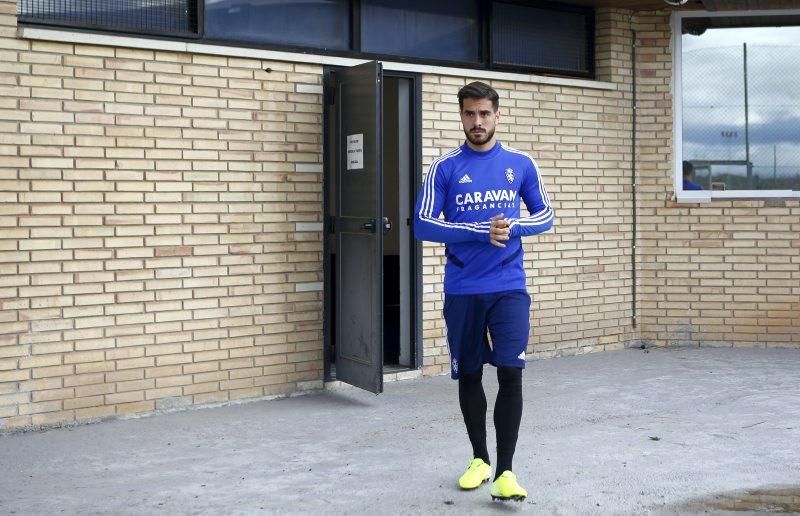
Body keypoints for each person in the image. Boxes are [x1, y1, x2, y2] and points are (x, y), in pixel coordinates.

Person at [413, 81, 554, 502]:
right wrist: (478, 231)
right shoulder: (445, 167)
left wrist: (513, 227)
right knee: (470, 373)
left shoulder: (520, 163)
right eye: (470, 114)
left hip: (509, 287)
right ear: (461, 116)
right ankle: (479, 458)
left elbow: (545, 215)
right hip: (463, 290)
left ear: (497, 115)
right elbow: (422, 224)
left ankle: (506, 472)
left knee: (511, 372)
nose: (478, 121)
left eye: (485, 113)